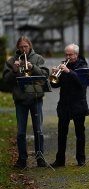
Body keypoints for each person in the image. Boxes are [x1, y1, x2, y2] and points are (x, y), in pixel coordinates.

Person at [3, 36, 49, 168]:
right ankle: (22, 159)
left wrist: (33, 67)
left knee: (38, 130)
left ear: (30, 46)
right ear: (18, 47)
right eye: (21, 47)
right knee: (21, 132)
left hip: (36, 98)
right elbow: (6, 80)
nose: (24, 49)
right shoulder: (12, 61)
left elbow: (45, 75)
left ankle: (40, 158)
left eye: (26, 46)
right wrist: (14, 71)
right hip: (20, 100)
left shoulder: (38, 58)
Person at [50, 43, 89, 167]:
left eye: (70, 54)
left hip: (78, 103)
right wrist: (54, 75)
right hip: (64, 103)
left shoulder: (83, 65)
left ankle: (81, 158)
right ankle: (60, 159)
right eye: (66, 54)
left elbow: (81, 82)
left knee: (80, 133)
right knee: (61, 133)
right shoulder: (62, 65)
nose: (68, 57)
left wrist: (68, 71)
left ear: (76, 54)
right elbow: (55, 85)